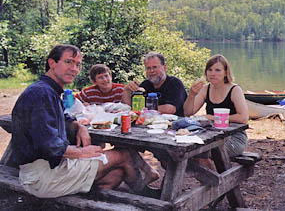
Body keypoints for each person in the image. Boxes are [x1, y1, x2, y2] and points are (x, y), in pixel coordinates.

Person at [10, 44, 155, 198]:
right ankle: (148, 197)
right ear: (52, 63)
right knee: (124, 155)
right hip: (44, 175)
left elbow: (62, 116)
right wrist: (82, 153)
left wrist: (78, 125)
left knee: (116, 174)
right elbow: (50, 147)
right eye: (69, 62)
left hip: (45, 172)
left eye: (78, 64)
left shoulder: (48, 90)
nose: (74, 69)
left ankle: (90, 200)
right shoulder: (40, 94)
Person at [183, 54, 249, 165]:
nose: (213, 74)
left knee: (198, 151)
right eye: (210, 70)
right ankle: (214, 179)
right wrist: (192, 95)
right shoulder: (206, 89)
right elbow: (188, 112)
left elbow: (243, 118)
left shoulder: (234, 89)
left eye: (218, 70)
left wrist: (213, 117)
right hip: (211, 135)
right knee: (187, 149)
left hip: (234, 138)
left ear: (225, 72)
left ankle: (215, 180)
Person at [122, 52, 187, 116]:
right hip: (147, 124)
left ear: (164, 68)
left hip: (174, 124)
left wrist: (143, 109)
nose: (152, 71)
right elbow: (129, 108)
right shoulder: (145, 85)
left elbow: (170, 110)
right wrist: (127, 90)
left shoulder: (175, 83)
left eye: (155, 67)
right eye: (148, 68)